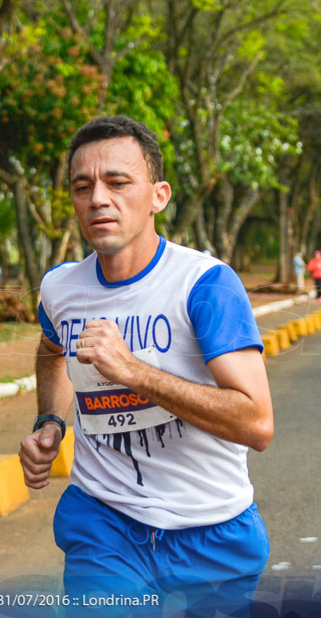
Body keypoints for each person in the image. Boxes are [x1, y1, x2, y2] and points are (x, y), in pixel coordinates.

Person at [18, 116, 273, 614]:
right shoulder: (60, 288)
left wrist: (134, 372)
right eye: (82, 186)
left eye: (117, 182)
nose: (97, 199)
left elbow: (257, 423)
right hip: (104, 521)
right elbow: (51, 351)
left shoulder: (206, 285)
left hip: (211, 532)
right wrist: (51, 419)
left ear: (158, 195)